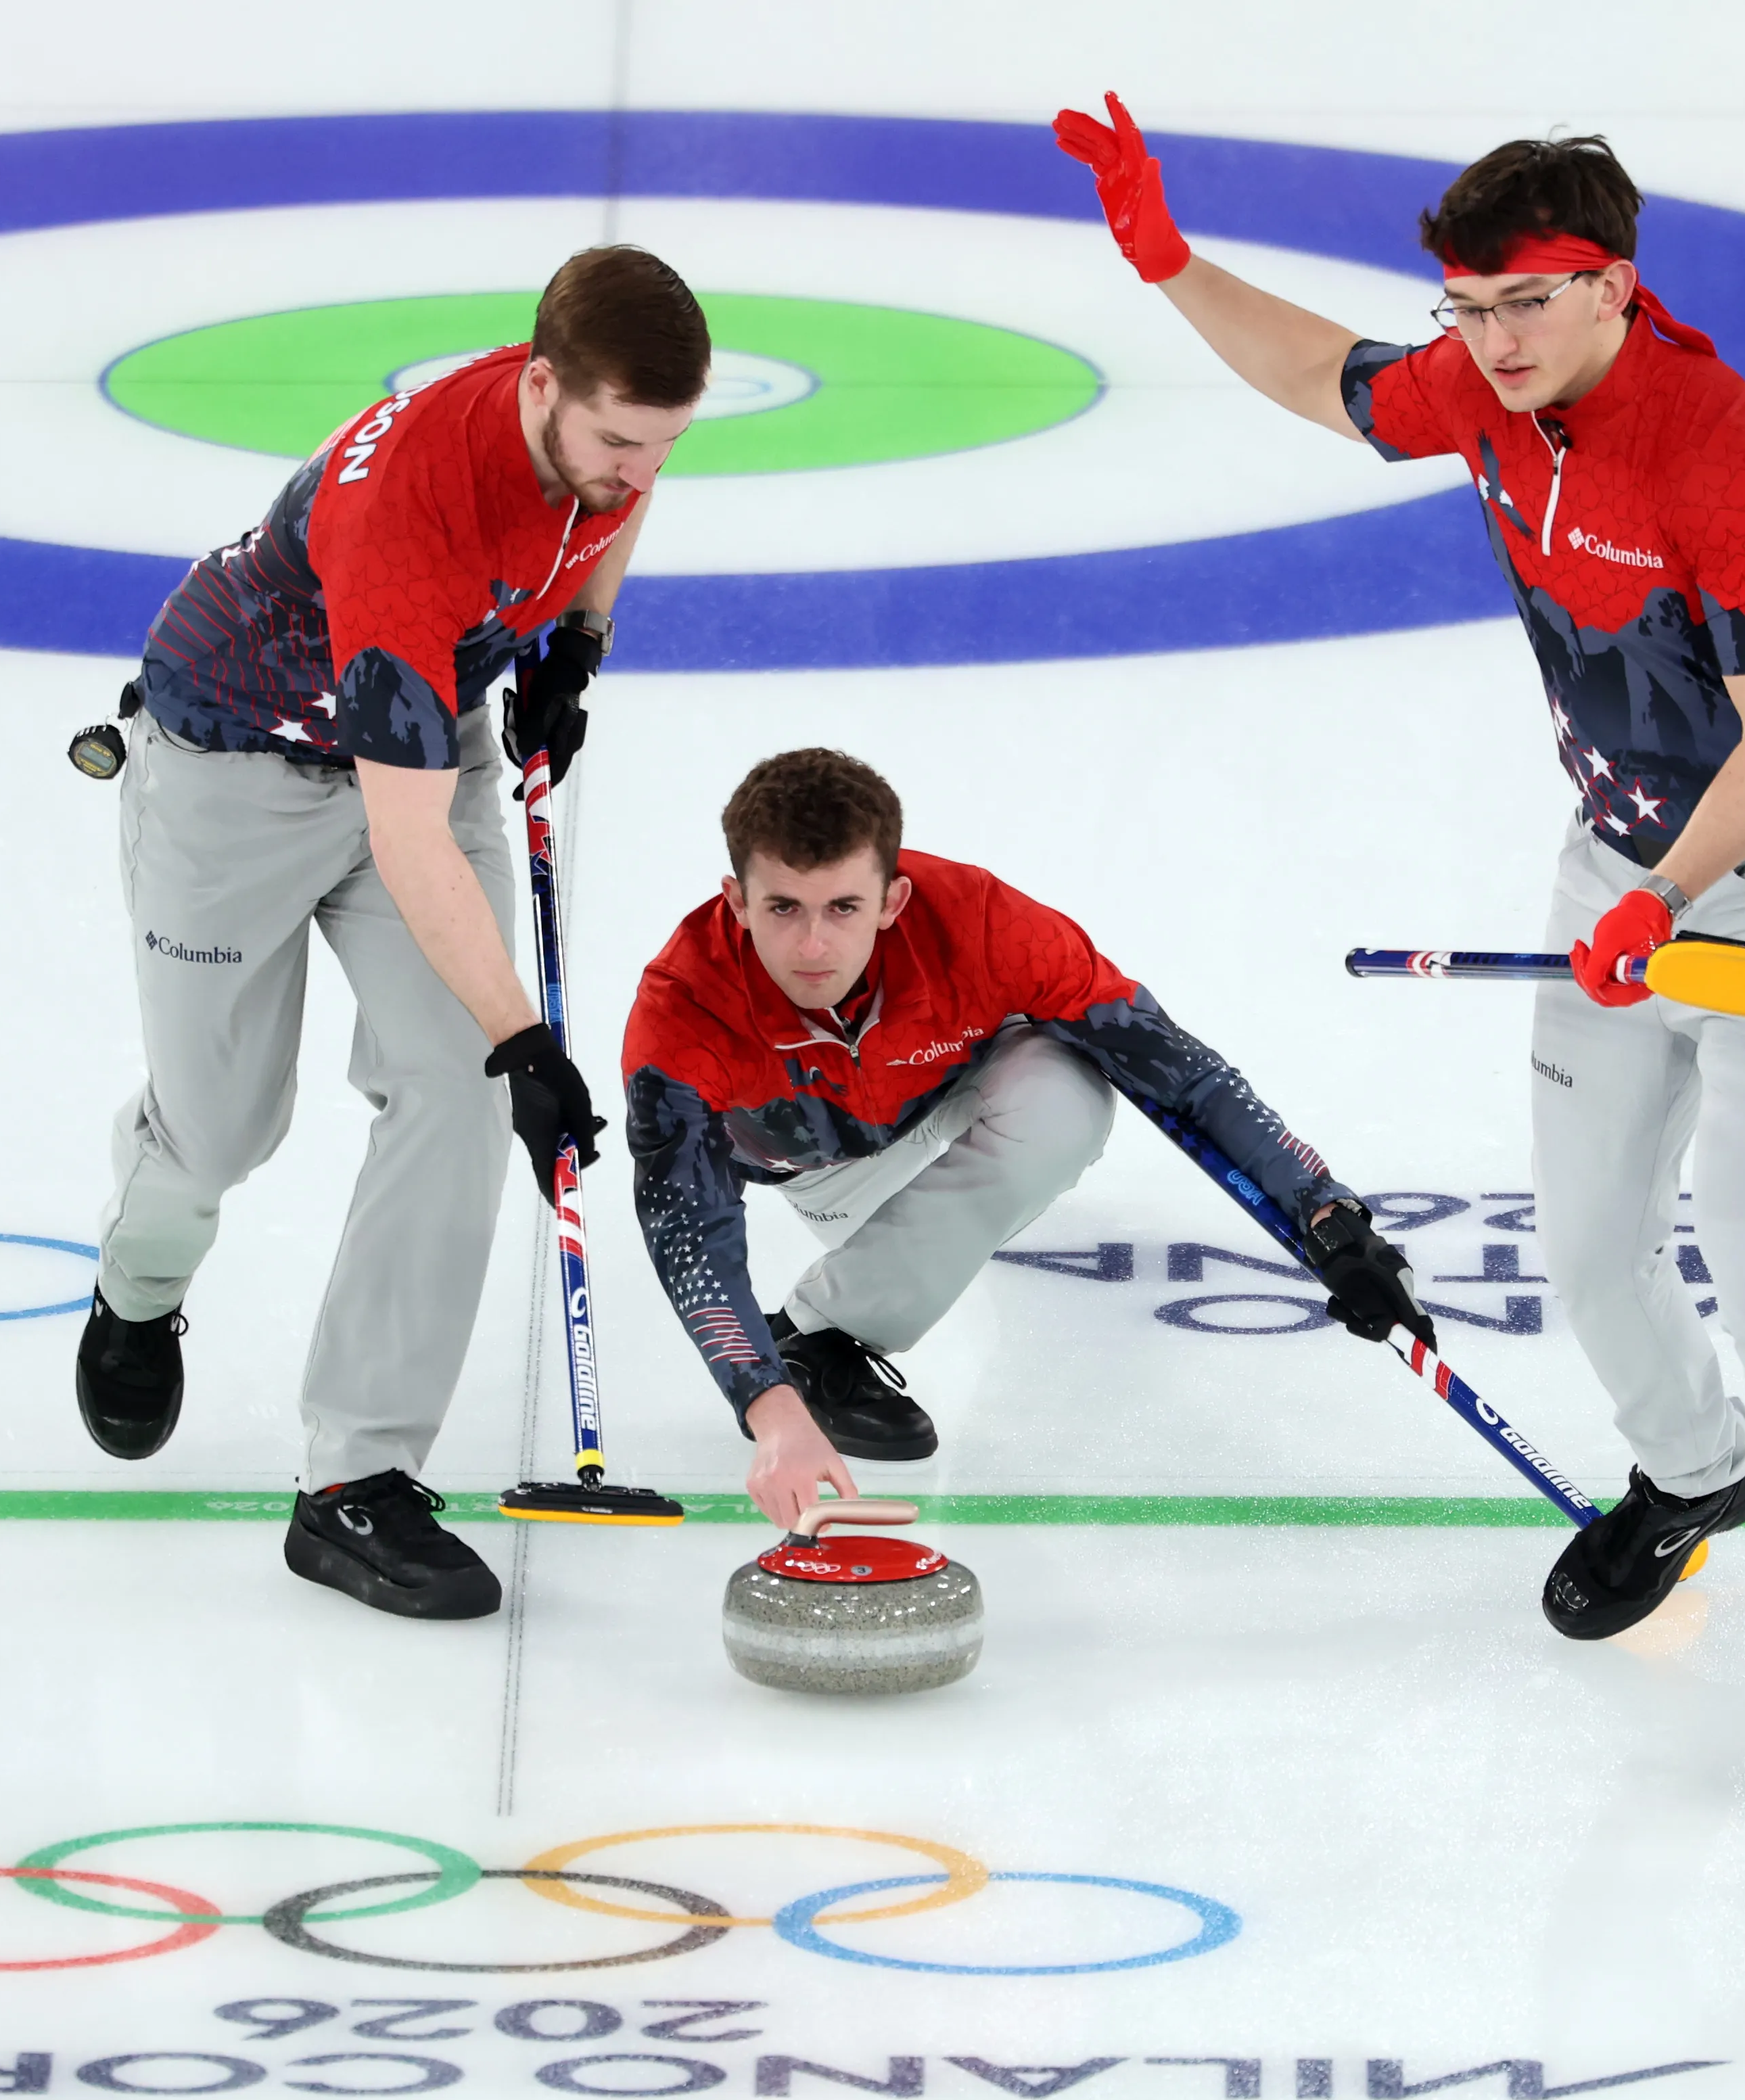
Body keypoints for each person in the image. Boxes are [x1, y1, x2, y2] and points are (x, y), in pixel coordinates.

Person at [1052, 98, 1745, 1806]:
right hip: (1619, 866)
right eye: (1467, 305)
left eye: (1526, 303)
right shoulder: (1488, 385)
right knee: (1591, 1247)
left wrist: (1662, 904)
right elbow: (1329, 379)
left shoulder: (1726, 447)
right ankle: (1696, 1470)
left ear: (1614, 286)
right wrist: (1167, 262)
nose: (1489, 341)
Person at [72, 246, 707, 1623]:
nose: (635, 470)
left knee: (451, 1091)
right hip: (233, 765)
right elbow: (408, 844)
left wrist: (575, 643)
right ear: (539, 387)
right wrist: (529, 1038)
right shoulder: (415, 518)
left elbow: (613, 507)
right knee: (222, 1126)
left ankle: (356, 1480)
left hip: (426, 742)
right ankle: (137, 1282)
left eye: (660, 446)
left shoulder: (598, 433)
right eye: (615, 441)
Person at [620, 747, 1433, 1528]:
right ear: (736, 900)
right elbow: (688, 1229)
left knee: (1067, 1095)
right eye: (782, 908)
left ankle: (830, 1331)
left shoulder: (979, 921)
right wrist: (766, 1400)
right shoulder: (684, 1006)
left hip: (950, 1096)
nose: (812, 946)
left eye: (844, 908)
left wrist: (1325, 1215)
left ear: (894, 899)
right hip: (821, 1175)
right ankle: (803, 1355)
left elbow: (1175, 1068)